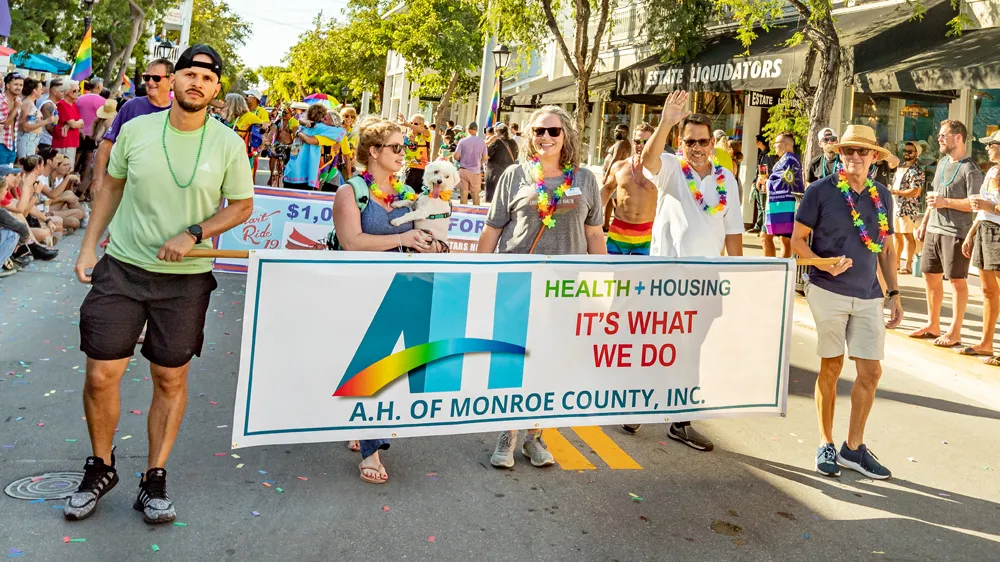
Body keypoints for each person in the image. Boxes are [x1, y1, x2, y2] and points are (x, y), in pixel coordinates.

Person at [66, 44, 254, 524]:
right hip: (123, 268)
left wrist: (195, 233)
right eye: (189, 74)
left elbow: (241, 205)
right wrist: (88, 246)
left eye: (207, 78)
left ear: (216, 89)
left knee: (170, 377)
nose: (197, 83)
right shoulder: (137, 129)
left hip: (185, 280)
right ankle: (101, 467)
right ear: (174, 82)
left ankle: (154, 478)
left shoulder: (228, 144)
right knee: (101, 374)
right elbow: (111, 186)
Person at [478, 105, 606, 469]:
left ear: (566, 135)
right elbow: (492, 229)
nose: (545, 137)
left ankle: (535, 435)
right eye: (538, 131)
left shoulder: (585, 179)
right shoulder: (514, 175)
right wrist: (479, 274)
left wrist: (602, 283)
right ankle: (507, 433)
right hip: (517, 284)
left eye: (553, 131)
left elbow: (594, 234)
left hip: (566, 289)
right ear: (529, 136)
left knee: (550, 361)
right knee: (513, 360)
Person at [619, 95, 742, 451]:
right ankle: (639, 402)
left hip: (706, 282)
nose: (697, 148)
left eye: (703, 141)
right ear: (681, 142)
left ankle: (680, 421)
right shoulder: (672, 168)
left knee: (691, 350)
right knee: (659, 343)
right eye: (690, 141)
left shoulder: (727, 179)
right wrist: (666, 121)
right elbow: (648, 160)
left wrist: (739, 278)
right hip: (666, 278)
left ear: (712, 143)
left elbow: (734, 233)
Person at [332, 116, 443, 482]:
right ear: (374, 151)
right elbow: (351, 242)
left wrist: (432, 243)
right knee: (371, 363)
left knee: (387, 367)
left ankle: (359, 426)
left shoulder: (408, 193)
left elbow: (423, 236)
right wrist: (401, 239)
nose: (403, 153)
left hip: (402, 289)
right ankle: (371, 451)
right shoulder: (350, 192)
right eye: (396, 147)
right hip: (360, 290)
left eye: (404, 146)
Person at [790, 124, 902, 480]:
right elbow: (797, 241)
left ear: (874, 157)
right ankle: (825, 442)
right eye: (848, 150)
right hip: (827, 289)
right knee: (832, 366)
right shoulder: (820, 191)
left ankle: (853, 448)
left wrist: (894, 293)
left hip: (868, 294)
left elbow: (886, 248)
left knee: (871, 372)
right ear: (839, 154)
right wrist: (822, 263)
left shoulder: (882, 195)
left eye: (862, 151)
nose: (854, 156)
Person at [910, 120, 984, 347]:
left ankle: (955, 331)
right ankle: (933, 325)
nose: (939, 139)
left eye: (943, 135)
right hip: (934, 228)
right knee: (929, 276)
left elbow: (975, 204)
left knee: (957, 281)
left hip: (956, 232)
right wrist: (924, 223)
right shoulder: (942, 163)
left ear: (958, 138)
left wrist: (946, 202)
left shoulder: (970, 169)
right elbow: (935, 198)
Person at [92, 59, 174, 197]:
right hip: (128, 187)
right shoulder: (132, 106)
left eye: (156, 78)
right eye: (147, 77)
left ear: (171, 80)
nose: (150, 82)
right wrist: (98, 180)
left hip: (162, 190)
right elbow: (106, 145)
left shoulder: (178, 111)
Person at [959, 132, 1000, 362]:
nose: (987, 148)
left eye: (991, 144)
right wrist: (971, 233)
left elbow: (988, 205)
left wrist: (989, 207)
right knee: (988, 290)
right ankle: (986, 343)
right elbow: (983, 207)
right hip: (985, 229)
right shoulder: (992, 171)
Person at [601, 123, 655, 254]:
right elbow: (607, 189)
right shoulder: (620, 166)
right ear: (632, 142)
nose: (641, 145)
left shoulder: (662, 170)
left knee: (641, 268)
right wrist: (590, 212)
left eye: (646, 142)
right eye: (637, 141)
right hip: (619, 232)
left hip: (647, 235)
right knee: (612, 267)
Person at [283, 104, 347, 190]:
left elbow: (300, 121)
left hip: (290, 173)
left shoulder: (304, 126)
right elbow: (342, 131)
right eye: (323, 117)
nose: (322, 120)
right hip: (304, 176)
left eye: (325, 119)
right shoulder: (319, 128)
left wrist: (299, 131)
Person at [763, 132, 802, 258]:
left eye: (776, 143)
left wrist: (767, 182)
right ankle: (776, 266)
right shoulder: (787, 159)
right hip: (782, 204)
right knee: (780, 239)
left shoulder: (789, 160)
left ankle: (777, 267)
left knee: (781, 239)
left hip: (785, 206)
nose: (774, 146)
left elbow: (784, 182)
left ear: (785, 144)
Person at [889, 141, 925, 274]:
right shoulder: (900, 167)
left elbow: (916, 191)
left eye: (910, 151)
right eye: (904, 151)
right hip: (895, 205)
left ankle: (908, 264)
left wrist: (895, 191)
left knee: (908, 235)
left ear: (916, 154)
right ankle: (896, 263)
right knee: (896, 235)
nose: (906, 154)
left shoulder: (918, 171)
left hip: (908, 207)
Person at [75, 79, 106, 190]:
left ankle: (68, 186)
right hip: (93, 135)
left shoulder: (79, 98)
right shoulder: (103, 102)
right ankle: (81, 190)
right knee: (88, 163)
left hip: (78, 132)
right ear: (98, 87)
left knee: (74, 161)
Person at [453, 121, 488, 205]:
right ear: (476, 130)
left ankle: (463, 210)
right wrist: (479, 163)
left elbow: (456, 156)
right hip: (476, 171)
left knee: (464, 192)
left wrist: (459, 159)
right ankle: (476, 210)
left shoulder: (462, 141)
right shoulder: (482, 142)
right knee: (475, 193)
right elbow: (485, 157)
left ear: (468, 130)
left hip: (463, 170)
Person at [17, 77, 51, 158]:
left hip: (31, 139)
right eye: (40, 89)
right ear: (34, 90)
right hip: (27, 138)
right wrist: (46, 121)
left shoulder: (30, 103)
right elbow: (25, 126)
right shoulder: (28, 104)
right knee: (26, 163)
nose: (42, 91)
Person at [52, 81, 84, 164]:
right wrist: (77, 123)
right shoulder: (62, 104)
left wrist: (77, 123)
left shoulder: (73, 105)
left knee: (69, 167)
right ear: (66, 91)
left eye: (78, 90)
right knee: (64, 167)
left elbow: (82, 123)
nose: (77, 92)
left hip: (71, 142)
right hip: (63, 142)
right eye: (74, 90)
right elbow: (73, 124)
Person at [485, 123, 518, 203]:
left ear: (498, 131)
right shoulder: (513, 142)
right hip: (508, 172)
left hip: (494, 173)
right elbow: (516, 155)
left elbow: (487, 155)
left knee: (492, 198)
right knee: (505, 197)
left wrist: (487, 143)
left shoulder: (496, 142)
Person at [398, 113, 431, 192]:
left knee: (418, 194)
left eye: (415, 124)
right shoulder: (408, 135)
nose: (412, 126)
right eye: (411, 123)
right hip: (408, 168)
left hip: (421, 169)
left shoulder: (425, 134)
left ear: (422, 125)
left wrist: (406, 124)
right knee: (406, 193)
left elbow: (422, 130)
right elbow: (403, 151)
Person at [749, 134, 774, 234]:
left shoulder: (768, 155)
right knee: (760, 205)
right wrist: (755, 181)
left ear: (760, 142)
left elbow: (768, 170)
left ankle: (764, 228)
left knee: (763, 206)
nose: (755, 143)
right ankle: (758, 225)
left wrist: (763, 182)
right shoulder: (762, 154)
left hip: (764, 183)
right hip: (759, 181)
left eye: (756, 141)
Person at [268, 106, 299, 187]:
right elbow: (273, 133)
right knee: (272, 155)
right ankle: (271, 174)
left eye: (286, 112)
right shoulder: (278, 122)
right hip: (278, 144)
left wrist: (293, 145)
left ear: (291, 114)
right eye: (283, 112)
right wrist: (269, 142)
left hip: (289, 145)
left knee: (289, 162)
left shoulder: (294, 122)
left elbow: (296, 135)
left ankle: (287, 177)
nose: (284, 114)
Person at [0, 73, 23, 165]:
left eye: (21, 85)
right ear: (8, 85)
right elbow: (5, 125)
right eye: (16, 84)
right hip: (2, 143)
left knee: (9, 172)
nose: (19, 87)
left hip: (12, 144)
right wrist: (16, 108)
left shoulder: (18, 100)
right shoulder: (1, 100)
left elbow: (16, 123)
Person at [36, 79, 63, 153]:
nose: (63, 94)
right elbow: (49, 127)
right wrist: (62, 134)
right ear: (54, 92)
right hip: (45, 142)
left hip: (49, 142)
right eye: (61, 91)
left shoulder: (53, 104)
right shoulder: (48, 105)